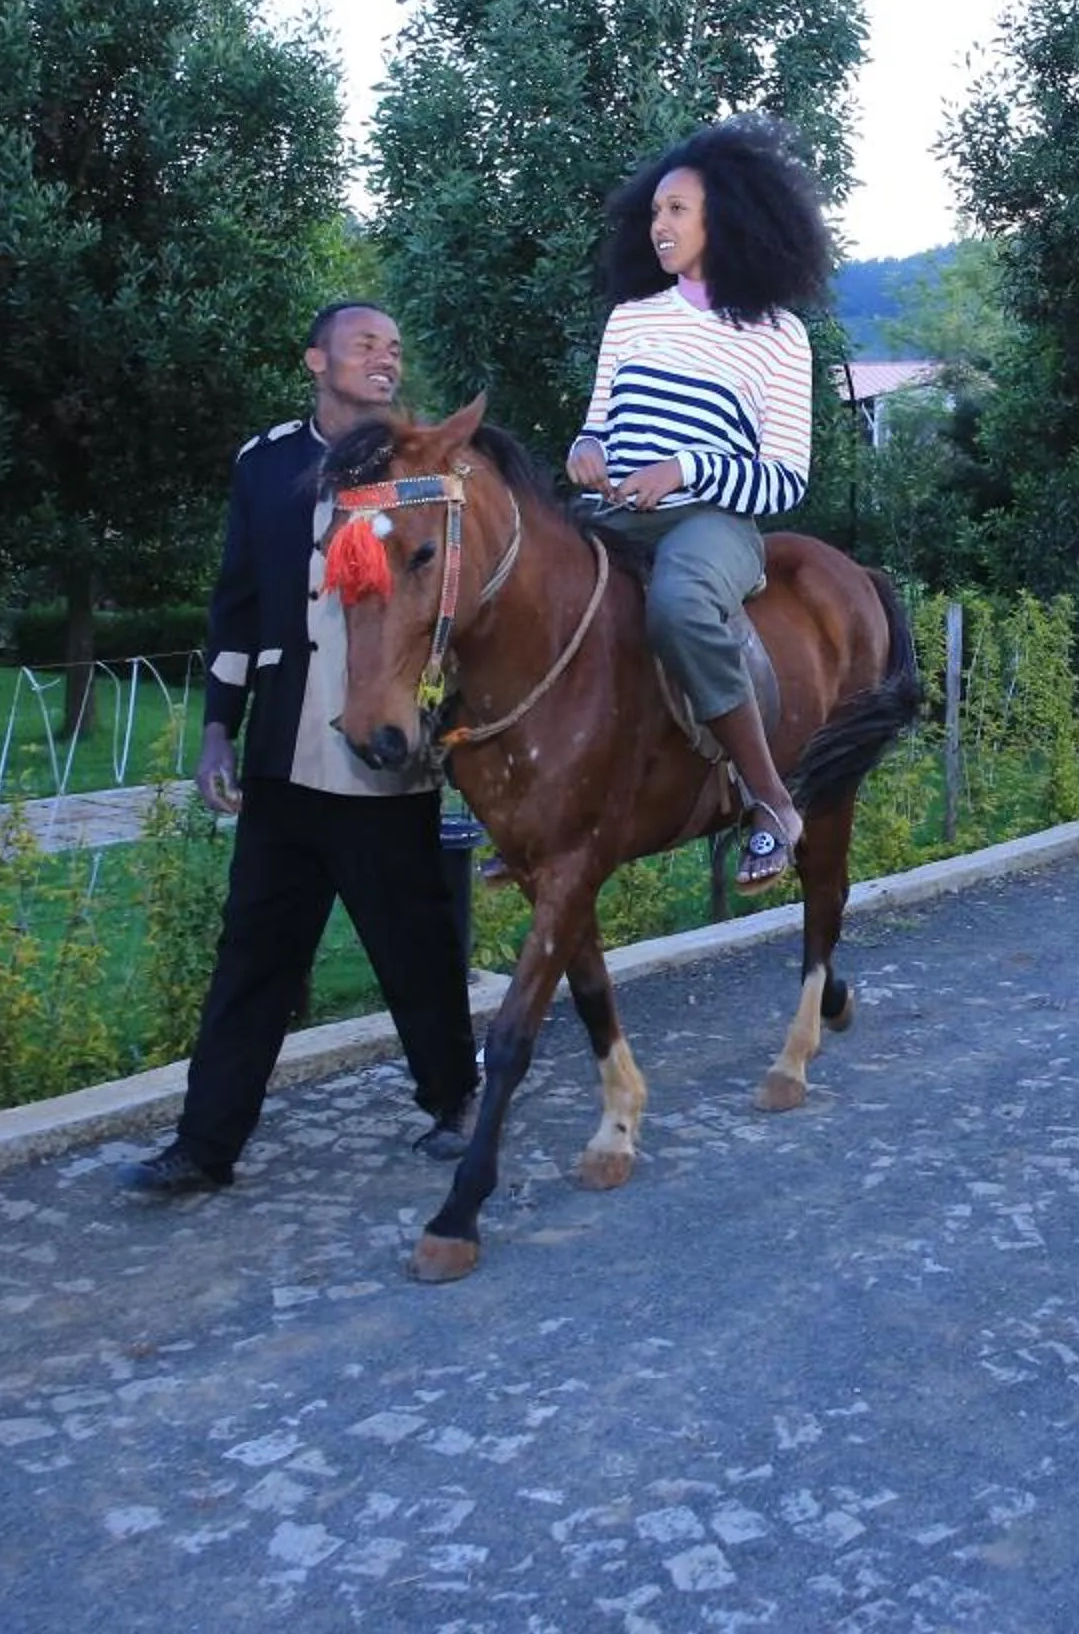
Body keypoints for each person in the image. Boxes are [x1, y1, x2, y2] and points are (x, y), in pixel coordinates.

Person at [118, 304, 478, 1196]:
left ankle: (458, 1105)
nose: (384, 359)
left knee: (416, 949)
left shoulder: (426, 464)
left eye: (395, 347)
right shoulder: (267, 463)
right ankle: (205, 1148)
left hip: (386, 753)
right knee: (252, 958)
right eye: (365, 345)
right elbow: (235, 604)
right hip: (283, 755)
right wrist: (217, 729)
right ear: (317, 358)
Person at [564, 117, 831, 889]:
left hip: (713, 522)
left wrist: (683, 470)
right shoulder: (631, 319)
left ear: (728, 218)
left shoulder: (778, 335)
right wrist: (587, 453)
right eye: (654, 212)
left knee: (679, 604)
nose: (659, 225)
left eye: (677, 210)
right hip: (615, 509)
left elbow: (784, 477)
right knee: (517, 577)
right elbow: (598, 426)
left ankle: (769, 800)